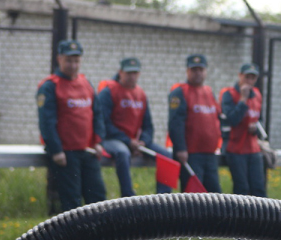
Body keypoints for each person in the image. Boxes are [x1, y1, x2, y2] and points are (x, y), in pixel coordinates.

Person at [38, 39, 106, 212]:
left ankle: (98, 237)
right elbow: (47, 121)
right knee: (72, 201)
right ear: (59, 59)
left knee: (97, 197)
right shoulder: (50, 86)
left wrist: (98, 141)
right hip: (66, 154)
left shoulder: (86, 83)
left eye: (76, 61)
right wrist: (56, 150)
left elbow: (97, 114)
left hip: (88, 151)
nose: (73, 65)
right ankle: (75, 238)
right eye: (69, 60)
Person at [97, 57, 171, 197]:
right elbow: (103, 123)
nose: (132, 76)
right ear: (120, 72)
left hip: (134, 142)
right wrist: (128, 141)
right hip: (111, 139)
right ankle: (128, 196)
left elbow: (148, 125)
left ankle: (164, 197)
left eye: (135, 73)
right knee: (123, 153)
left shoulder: (141, 94)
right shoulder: (108, 92)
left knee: (166, 156)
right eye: (128, 73)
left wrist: (144, 141)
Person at [168, 54, 222, 192]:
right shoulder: (179, 92)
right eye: (194, 70)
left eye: (200, 70)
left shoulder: (209, 92)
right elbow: (175, 123)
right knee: (193, 196)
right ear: (188, 71)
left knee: (214, 194)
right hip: (191, 154)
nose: (198, 73)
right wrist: (180, 148)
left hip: (210, 154)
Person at [220, 63, 266, 197]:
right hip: (235, 148)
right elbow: (232, 119)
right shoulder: (228, 94)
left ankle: (262, 217)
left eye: (253, 78)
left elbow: (260, 119)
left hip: (253, 148)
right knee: (242, 189)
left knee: (258, 189)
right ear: (240, 76)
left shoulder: (257, 94)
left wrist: (256, 129)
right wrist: (243, 99)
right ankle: (242, 218)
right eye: (247, 77)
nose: (249, 81)